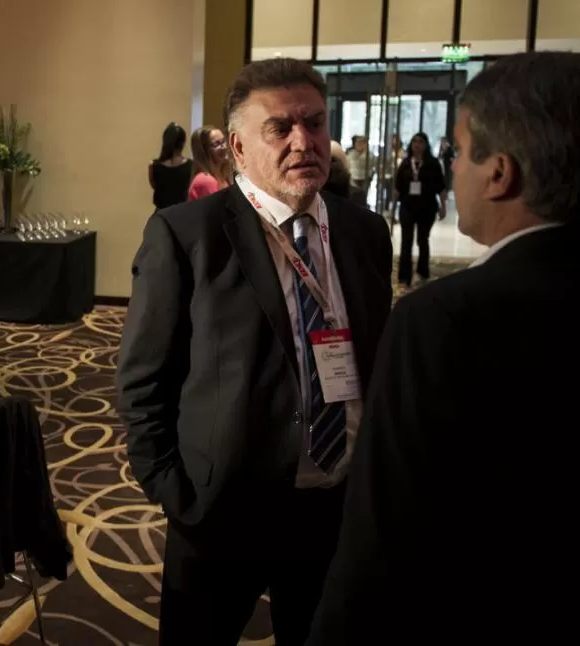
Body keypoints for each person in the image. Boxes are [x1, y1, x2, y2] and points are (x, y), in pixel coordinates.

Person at [307, 51, 580, 646]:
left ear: (499, 173)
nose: (453, 169)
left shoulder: (441, 321)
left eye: (461, 152)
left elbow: (383, 537)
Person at [116, 57, 392, 645]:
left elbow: (374, 357)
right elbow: (144, 381)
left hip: (333, 504)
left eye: (315, 124)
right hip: (222, 512)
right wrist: (175, 494)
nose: (304, 142)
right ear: (238, 148)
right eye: (281, 128)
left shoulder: (364, 231)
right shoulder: (186, 235)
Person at [392, 132, 447, 287]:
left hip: (427, 207)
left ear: (425, 145)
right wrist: (393, 207)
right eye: (414, 142)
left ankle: (422, 272)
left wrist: (443, 207)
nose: (417, 145)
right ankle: (404, 276)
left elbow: (441, 187)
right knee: (406, 241)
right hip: (407, 206)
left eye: (420, 142)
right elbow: (397, 187)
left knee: (423, 240)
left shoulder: (433, 164)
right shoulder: (405, 163)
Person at [148, 122, 192, 210]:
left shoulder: (153, 165)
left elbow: (155, 186)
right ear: (183, 143)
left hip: (161, 214)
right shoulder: (191, 166)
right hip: (182, 213)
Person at [187, 125, 232, 200]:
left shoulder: (223, 177)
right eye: (216, 144)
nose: (224, 147)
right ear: (204, 152)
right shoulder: (206, 180)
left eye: (224, 141)